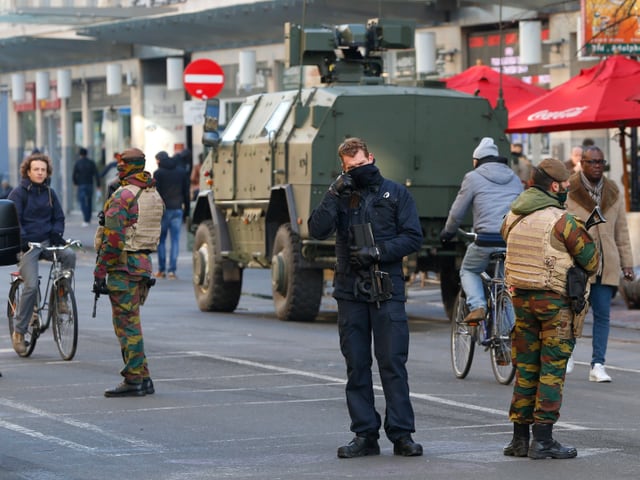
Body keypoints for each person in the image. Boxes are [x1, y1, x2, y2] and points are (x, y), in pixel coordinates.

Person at [308, 137, 423, 458]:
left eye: (362, 165)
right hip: (350, 290)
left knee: (392, 364)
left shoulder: (396, 193)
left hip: (386, 287)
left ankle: (402, 435)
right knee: (357, 365)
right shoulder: (342, 196)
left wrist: (378, 251)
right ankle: (365, 434)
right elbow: (317, 230)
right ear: (343, 169)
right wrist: (334, 193)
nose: (359, 171)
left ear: (371, 157)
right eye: (351, 168)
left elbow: (414, 237)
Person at [501, 158, 599, 459]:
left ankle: (519, 439)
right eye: (565, 186)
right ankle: (542, 440)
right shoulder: (562, 220)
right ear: (555, 186)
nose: (567, 190)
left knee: (527, 368)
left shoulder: (513, 216)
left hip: (520, 300)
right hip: (554, 303)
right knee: (551, 370)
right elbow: (590, 259)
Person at [94, 148, 164, 397]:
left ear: (130, 166)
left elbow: (113, 239)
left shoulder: (124, 194)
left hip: (123, 266)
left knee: (126, 325)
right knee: (132, 322)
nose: (119, 168)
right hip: (142, 263)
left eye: (122, 164)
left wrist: (100, 270)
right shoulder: (151, 191)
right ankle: (143, 378)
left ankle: (134, 379)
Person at [565, 145, 634, 382]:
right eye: (592, 162)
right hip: (577, 264)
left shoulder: (613, 190)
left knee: (603, 315)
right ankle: (567, 355)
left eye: (600, 162)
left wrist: (627, 264)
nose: (597, 166)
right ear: (582, 163)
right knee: (575, 312)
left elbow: (622, 230)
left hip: (606, 264)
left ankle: (598, 364)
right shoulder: (569, 189)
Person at [440, 137, 523, 323]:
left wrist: (448, 232)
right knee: (505, 284)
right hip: (510, 241)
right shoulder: (515, 179)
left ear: (476, 160)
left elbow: (457, 212)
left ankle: (478, 306)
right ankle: (507, 335)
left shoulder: (473, 177)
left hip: (485, 240)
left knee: (469, 270)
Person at [8, 153, 76, 355]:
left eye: (43, 170)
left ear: (47, 173)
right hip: (26, 245)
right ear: (28, 172)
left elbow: (59, 217)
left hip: (46, 241)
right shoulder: (18, 193)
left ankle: (62, 296)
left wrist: (57, 233)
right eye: (36, 169)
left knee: (69, 254)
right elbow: (14, 219)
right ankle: (19, 333)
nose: (40, 173)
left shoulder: (49, 193)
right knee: (30, 286)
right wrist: (21, 239)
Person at [153, 151, 189, 279]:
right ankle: (172, 271)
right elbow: (186, 192)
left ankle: (161, 270)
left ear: (159, 160)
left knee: (161, 241)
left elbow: (155, 194)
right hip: (178, 209)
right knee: (175, 241)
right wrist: (187, 211)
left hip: (163, 211)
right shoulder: (181, 172)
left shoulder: (158, 173)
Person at [72, 147, 100, 227]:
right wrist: (98, 185)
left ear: (80, 154)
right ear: (86, 154)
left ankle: (86, 219)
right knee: (89, 201)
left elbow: (74, 174)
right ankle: (89, 217)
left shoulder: (78, 163)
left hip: (81, 185)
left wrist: (75, 183)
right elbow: (96, 174)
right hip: (90, 184)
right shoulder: (91, 162)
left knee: (83, 202)